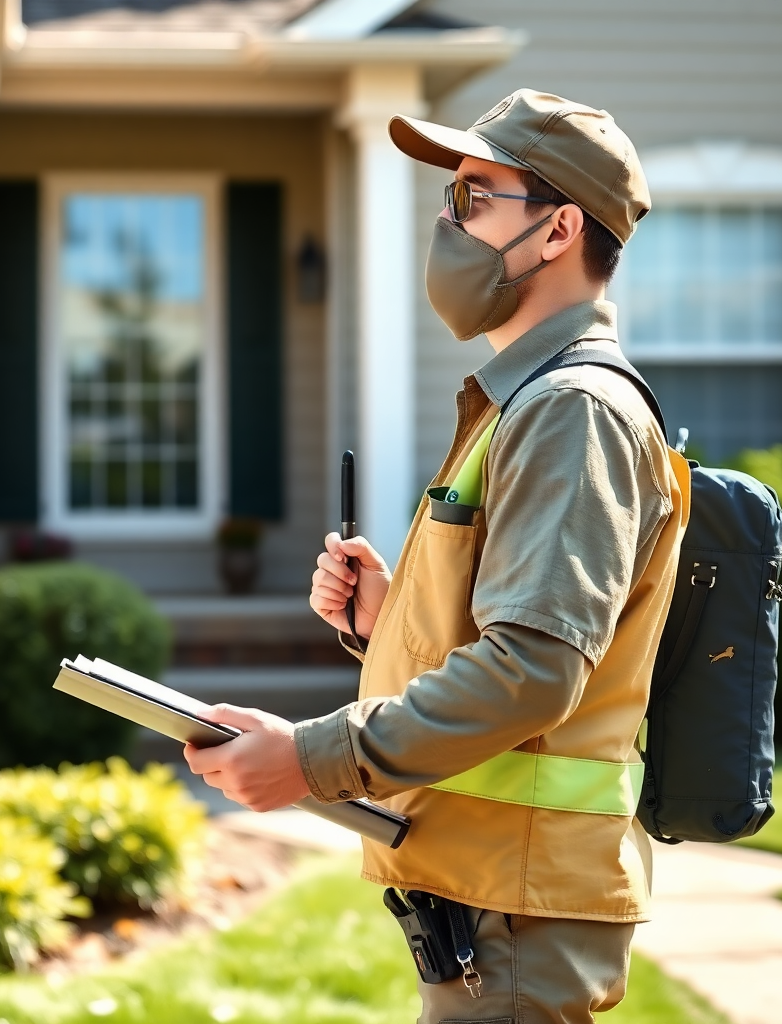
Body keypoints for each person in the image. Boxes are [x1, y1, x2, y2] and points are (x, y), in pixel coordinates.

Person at [184, 89, 689, 1024]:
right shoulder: (523, 402)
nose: (446, 224)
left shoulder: (572, 410)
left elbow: (536, 671)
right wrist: (389, 620)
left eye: (472, 197)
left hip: (517, 914)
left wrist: (309, 757)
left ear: (557, 229)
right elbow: (518, 634)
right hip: (491, 901)